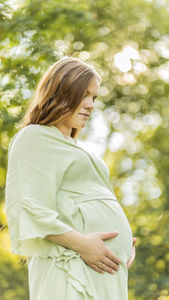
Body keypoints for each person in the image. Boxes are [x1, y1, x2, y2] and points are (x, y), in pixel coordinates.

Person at [5, 56, 136, 300]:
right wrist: (82, 244)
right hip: (69, 263)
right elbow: (28, 206)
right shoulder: (34, 137)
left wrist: (124, 243)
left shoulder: (78, 147)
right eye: (84, 95)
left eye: (94, 98)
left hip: (102, 267)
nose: (90, 105)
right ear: (61, 92)